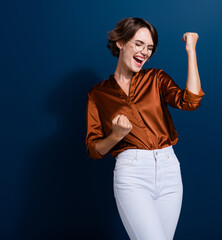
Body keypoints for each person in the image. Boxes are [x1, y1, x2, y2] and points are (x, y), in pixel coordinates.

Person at [85, 17, 204, 240]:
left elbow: (191, 102)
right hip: (132, 174)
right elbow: (93, 149)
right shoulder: (98, 94)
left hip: (169, 170)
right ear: (120, 42)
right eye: (138, 44)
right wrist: (115, 136)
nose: (145, 52)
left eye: (149, 48)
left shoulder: (156, 78)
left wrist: (191, 51)